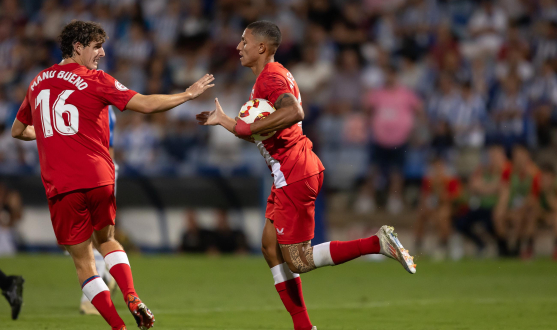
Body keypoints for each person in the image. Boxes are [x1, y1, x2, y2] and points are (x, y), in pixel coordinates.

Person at [196, 21, 416, 330]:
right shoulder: (271, 76)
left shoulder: (270, 78)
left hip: (294, 171)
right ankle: (303, 326)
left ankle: (377, 243)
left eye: (244, 41)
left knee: (299, 259)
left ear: (261, 47)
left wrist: (244, 126)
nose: (238, 46)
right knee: (270, 247)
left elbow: (296, 111)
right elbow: (267, 132)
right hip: (288, 170)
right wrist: (226, 122)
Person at [11, 20, 214, 330]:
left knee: (83, 263)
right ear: (78, 48)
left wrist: (52, 135)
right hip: (98, 177)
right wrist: (187, 94)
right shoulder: (95, 79)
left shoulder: (37, 81)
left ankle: (118, 326)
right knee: (107, 240)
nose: (103, 53)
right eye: (97, 47)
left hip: (61, 184)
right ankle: (131, 294)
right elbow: (145, 105)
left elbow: (17, 130)